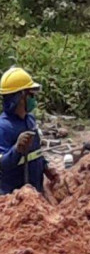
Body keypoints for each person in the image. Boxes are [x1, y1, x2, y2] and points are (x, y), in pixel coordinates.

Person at [0, 67, 59, 195]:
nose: (33, 99)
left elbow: (36, 153)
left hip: (35, 194)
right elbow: (2, 165)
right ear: (20, 97)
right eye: (31, 95)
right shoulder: (3, 127)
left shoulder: (29, 120)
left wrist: (45, 167)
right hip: (13, 198)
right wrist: (16, 149)